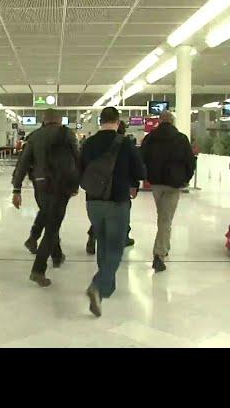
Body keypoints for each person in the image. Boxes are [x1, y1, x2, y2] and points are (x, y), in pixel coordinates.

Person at [80, 107, 145, 317]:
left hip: (93, 202)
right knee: (116, 248)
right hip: (117, 201)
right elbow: (140, 170)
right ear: (117, 122)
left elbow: (79, 169)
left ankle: (107, 287)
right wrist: (133, 182)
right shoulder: (125, 142)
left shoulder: (88, 143)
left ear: (100, 121)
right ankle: (98, 286)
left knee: (103, 242)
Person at [12, 109, 79, 287]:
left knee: (49, 216)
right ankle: (38, 269)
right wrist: (76, 184)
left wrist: (16, 189)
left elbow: (23, 163)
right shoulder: (68, 134)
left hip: (40, 185)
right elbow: (77, 159)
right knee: (52, 225)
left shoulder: (34, 136)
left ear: (44, 120)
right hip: (61, 185)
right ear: (59, 120)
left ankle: (55, 255)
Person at [140, 111, 195, 273]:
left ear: (160, 121)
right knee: (166, 218)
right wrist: (186, 178)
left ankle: (165, 246)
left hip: (156, 183)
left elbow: (141, 158)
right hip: (173, 184)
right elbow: (190, 162)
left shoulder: (150, 138)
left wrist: (147, 176)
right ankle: (159, 254)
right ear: (172, 122)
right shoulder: (181, 139)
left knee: (164, 216)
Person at [85, 120, 136, 254]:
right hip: (119, 189)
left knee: (100, 215)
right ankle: (121, 239)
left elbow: (82, 164)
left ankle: (93, 234)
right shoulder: (126, 143)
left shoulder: (92, 141)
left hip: (96, 188)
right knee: (121, 214)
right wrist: (134, 184)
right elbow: (136, 167)